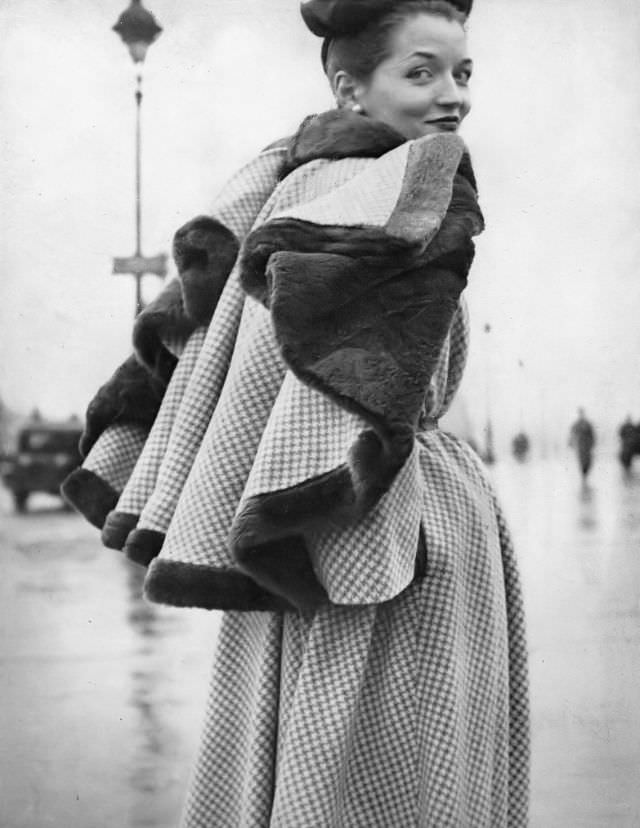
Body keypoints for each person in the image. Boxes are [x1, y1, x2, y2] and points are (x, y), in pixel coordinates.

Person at [68, 1, 530, 824]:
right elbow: (359, 385)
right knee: (400, 768)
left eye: (462, 72)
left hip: (309, 524)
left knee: (309, 753)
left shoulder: (282, 187)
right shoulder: (398, 189)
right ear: (350, 88)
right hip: (382, 520)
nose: (450, 95)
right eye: (418, 72)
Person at [569, 407, 596, 481]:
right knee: (581, 460)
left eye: (582, 413)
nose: (581, 415)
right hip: (580, 445)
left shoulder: (587, 424)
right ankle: (583, 473)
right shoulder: (576, 424)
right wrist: (571, 442)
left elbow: (592, 434)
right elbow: (572, 434)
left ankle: (585, 472)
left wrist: (592, 442)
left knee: (588, 460)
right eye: (580, 413)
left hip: (587, 445)